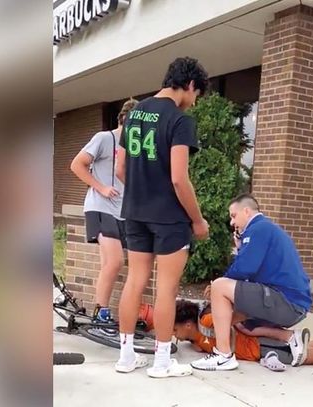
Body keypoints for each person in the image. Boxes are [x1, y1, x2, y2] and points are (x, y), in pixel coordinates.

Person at [114, 57, 210, 378]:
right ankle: (161, 362)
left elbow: (120, 169)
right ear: (191, 85)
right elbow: (179, 179)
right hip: (169, 217)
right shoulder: (180, 120)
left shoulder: (134, 113)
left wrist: (142, 192)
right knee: (166, 289)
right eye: (197, 95)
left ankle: (126, 356)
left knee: (135, 280)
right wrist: (197, 220)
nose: (194, 102)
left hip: (134, 212)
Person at [190, 194, 313, 371]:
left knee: (219, 286)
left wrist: (221, 282)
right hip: (291, 303)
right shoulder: (267, 229)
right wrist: (242, 248)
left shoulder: (258, 228)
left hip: (286, 303)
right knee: (239, 316)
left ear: (246, 211)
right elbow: (252, 272)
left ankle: (223, 356)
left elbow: (245, 268)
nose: (232, 223)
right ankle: (289, 337)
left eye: (233, 216)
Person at [70, 98, 138, 325]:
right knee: (116, 261)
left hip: (122, 211)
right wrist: (101, 187)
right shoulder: (104, 138)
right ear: (124, 118)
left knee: (109, 263)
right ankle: (101, 313)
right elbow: (76, 165)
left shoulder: (135, 145)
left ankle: (101, 313)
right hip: (99, 206)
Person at [175, 300, 313, 368]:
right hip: (260, 348)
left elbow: (234, 314)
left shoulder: (207, 322)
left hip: (261, 346)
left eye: (175, 329)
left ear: (189, 324)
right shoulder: (195, 340)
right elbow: (201, 345)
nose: (174, 335)